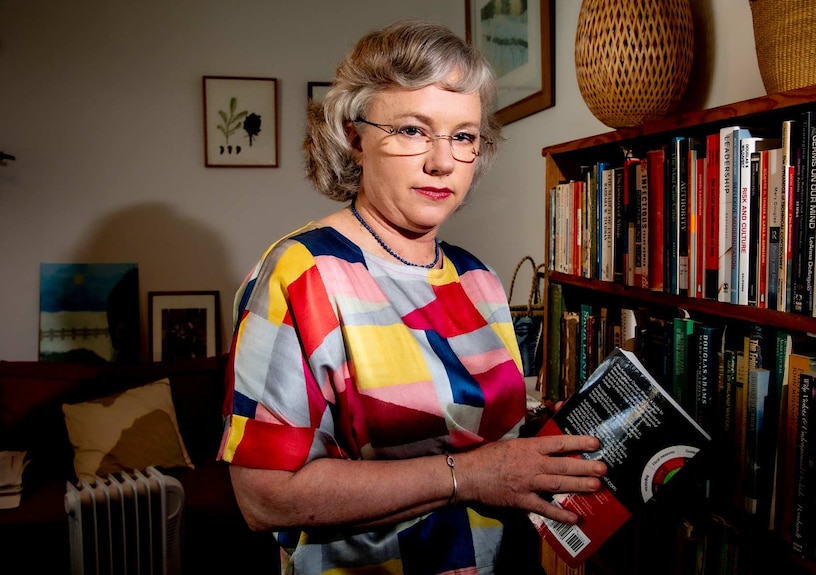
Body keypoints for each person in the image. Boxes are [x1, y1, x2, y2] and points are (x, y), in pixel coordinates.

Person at [218, 18, 607, 575]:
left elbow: (485, 437)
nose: (442, 162)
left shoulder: (478, 278)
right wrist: (470, 477)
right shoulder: (303, 274)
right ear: (355, 137)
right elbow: (264, 496)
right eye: (412, 130)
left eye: (463, 136)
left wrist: (544, 441)